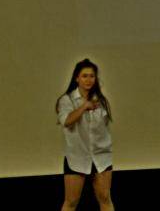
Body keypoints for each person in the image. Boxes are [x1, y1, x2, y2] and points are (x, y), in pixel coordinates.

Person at [56, 58, 114, 211]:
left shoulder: (100, 100)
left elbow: (104, 128)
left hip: (101, 156)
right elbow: (66, 121)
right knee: (71, 201)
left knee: (105, 198)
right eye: (84, 76)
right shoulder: (67, 100)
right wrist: (84, 107)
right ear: (77, 78)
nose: (88, 80)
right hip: (77, 157)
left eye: (92, 76)